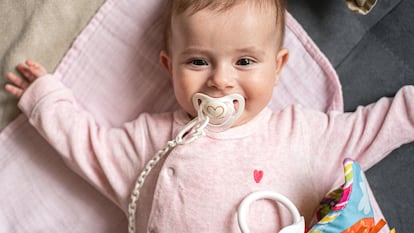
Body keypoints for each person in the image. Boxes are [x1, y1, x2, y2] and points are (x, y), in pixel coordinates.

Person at [4, 0, 413, 232]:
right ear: (169, 67)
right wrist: (45, 101)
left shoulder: (303, 133)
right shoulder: (152, 142)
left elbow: (380, 124)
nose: (220, 80)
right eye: (198, 61)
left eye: (245, 61)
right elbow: (88, 146)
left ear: (278, 65)